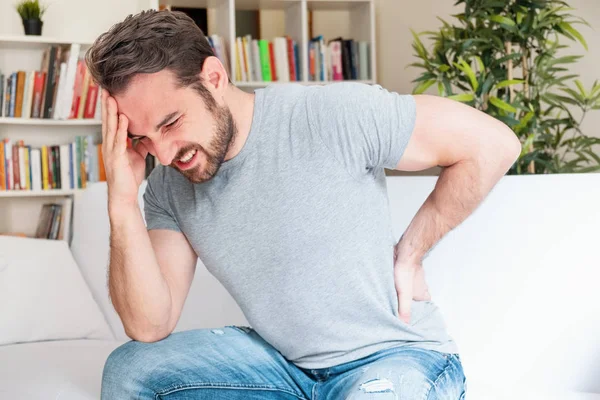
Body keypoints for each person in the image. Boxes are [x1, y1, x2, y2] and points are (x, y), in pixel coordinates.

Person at [85, 9, 520, 400]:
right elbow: (149, 325)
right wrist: (122, 201)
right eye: (142, 137)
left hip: (393, 357)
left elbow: (492, 144)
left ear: (213, 78)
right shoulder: (168, 187)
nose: (162, 154)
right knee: (130, 371)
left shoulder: (328, 114)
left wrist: (411, 253)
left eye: (171, 123)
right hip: (283, 367)